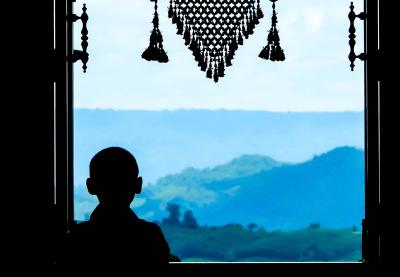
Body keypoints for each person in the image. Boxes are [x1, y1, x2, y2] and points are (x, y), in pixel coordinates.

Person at [67, 147, 170, 267]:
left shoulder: (78, 239)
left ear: (90, 186)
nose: (115, 189)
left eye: (120, 182)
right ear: (138, 185)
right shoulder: (151, 237)